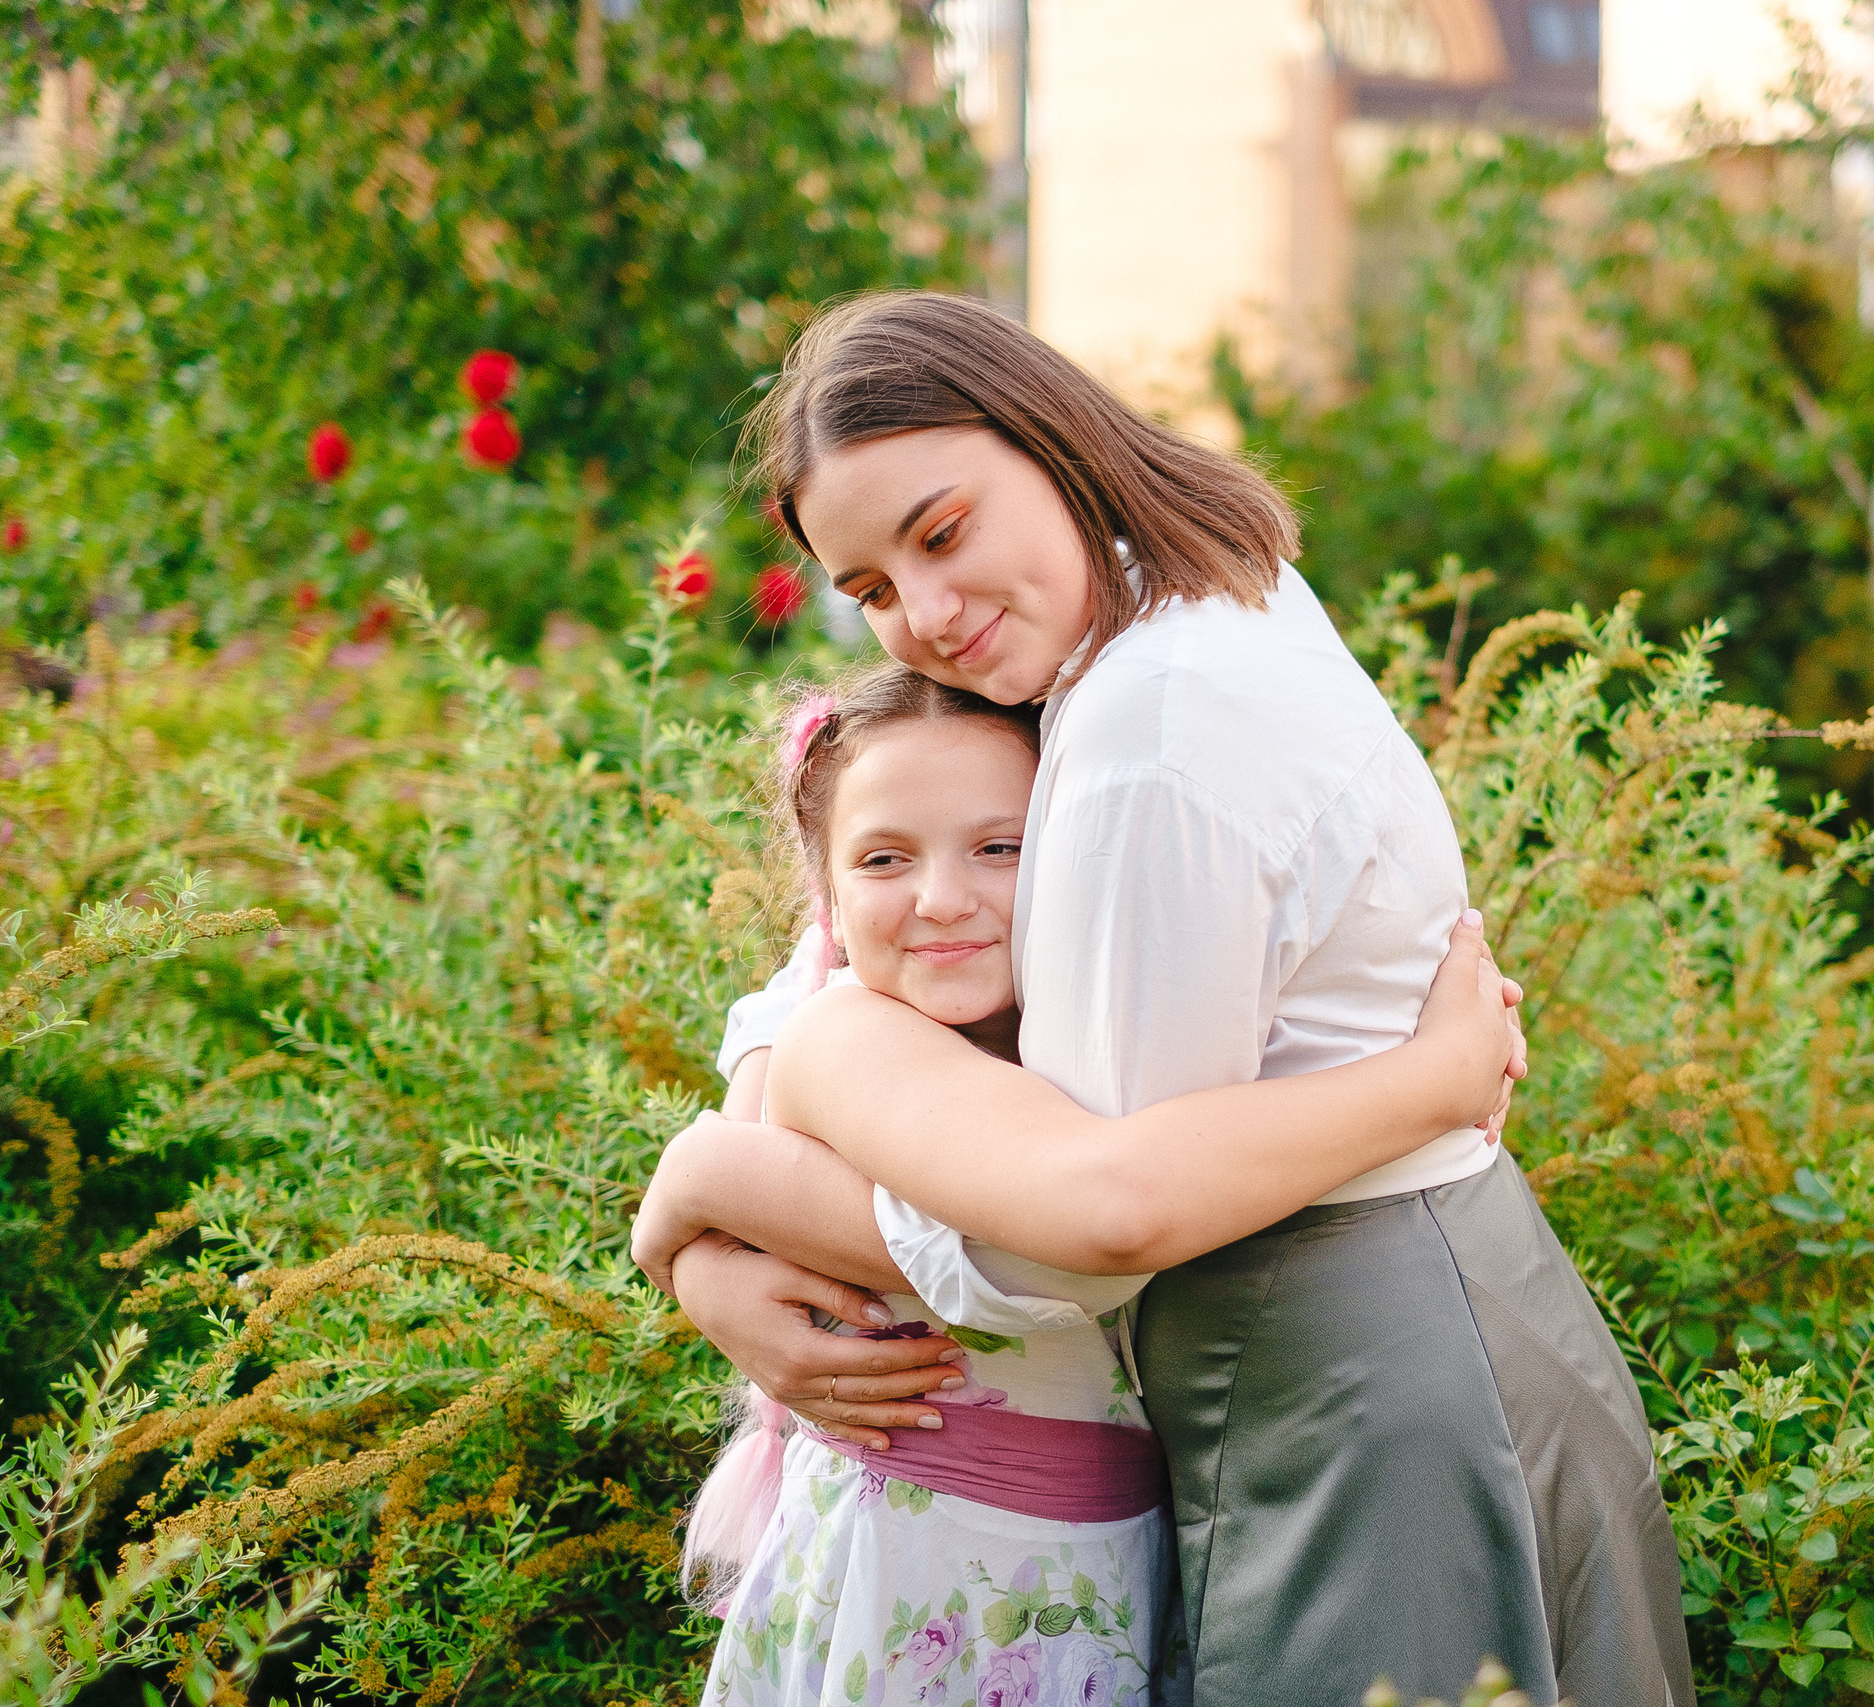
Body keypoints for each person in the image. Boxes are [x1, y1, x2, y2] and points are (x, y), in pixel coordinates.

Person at [641, 290, 1693, 1707]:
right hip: (1391, 1332)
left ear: (1048, 435)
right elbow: (841, 930)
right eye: (875, 587)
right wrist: (707, 1241)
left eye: (942, 532)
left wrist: (713, 1181)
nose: (926, 616)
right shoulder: (1149, 608)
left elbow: (1083, 1238)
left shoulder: (1149, 720)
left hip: (1358, 1367)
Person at [668, 660, 1519, 1706]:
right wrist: (1430, 1084)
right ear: (828, 893)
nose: (942, 898)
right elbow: (1063, 1244)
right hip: (923, 1592)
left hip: (1109, 1577)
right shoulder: (850, 1032)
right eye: (885, 857)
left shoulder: (1100, 1038)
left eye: (1001, 847)